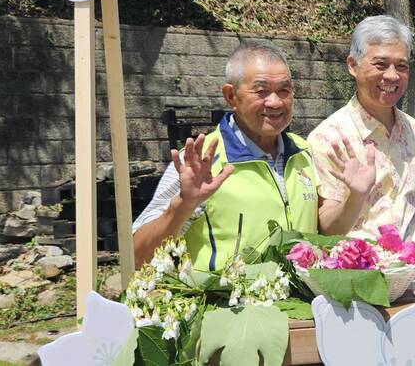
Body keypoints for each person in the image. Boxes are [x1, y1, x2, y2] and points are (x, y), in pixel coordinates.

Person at [132, 42, 373, 269]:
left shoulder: (303, 152)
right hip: (227, 307)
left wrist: (356, 197)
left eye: (284, 90)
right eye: (261, 91)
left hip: (299, 306)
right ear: (231, 96)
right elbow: (135, 256)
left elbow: (327, 231)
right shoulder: (200, 162)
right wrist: (183, 206)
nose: (275, 102)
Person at [308, 15, 415, 242]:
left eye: (401, 66)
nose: (392, 75)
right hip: (360, 274)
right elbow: (326, 229)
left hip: (412, 275)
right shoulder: (328, 137)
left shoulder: (413, 129)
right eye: (380, 64)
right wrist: (356, 196)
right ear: (353, 65)